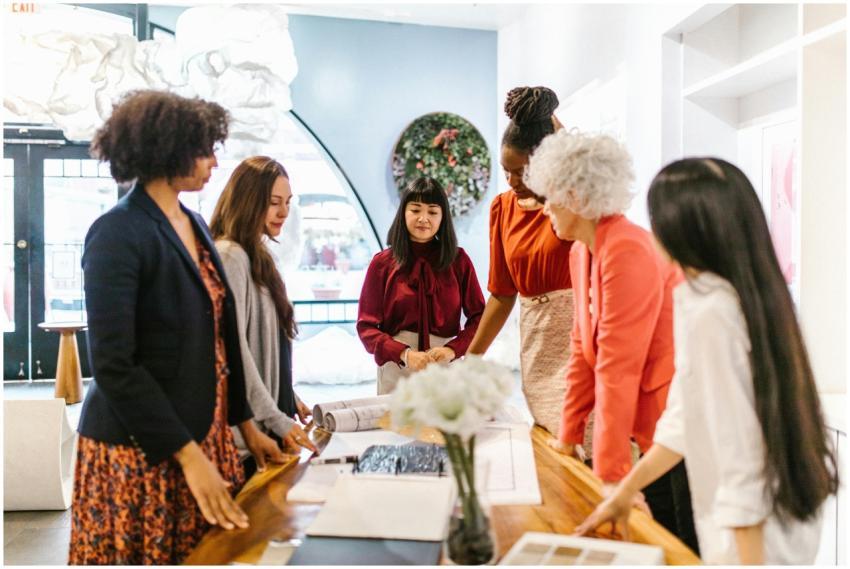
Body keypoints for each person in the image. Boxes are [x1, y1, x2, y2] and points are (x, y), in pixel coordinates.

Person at [576, 158, 839, 564]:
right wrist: (626, 491)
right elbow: (683, 416)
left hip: (752, 537)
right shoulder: (726, 295)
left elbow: (742, 458)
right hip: (765, 519)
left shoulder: (712, 311)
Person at [70, 90, 289, 565]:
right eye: (204, 148)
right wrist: (189, 456)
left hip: (199, 433)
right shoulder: (116, 232)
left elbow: (222, 338)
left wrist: (245, 424)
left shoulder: (192, 223)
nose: (214, 161)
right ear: (167, 149)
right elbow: (113, 365)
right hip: (138, 448)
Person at [525, 129, 699, 552]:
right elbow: (583, 352)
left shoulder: (628, 247)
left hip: (682, 427)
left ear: (578, 196)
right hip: (652, 427)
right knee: (655, 536)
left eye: (551, 196)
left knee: (683, 543)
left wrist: (611, 474)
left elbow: (618, 367)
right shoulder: (581, 251)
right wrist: (568, 435)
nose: (545, 207)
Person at [466, 86, 574, 436]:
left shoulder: (572, 205)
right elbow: (501, 294)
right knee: (547, 434)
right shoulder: (502, 209)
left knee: (581, 446)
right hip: (536, 344)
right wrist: (472, 358)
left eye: (523, 173)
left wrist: (559, 136)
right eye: (506, 171)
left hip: (579, 342)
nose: (512, 182)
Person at [210, 156, 318, 465]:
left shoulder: (256, 254)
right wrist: (274, 416)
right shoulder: (231, 256)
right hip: (247, 437)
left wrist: (287, 396)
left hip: (266, 423)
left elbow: (265, 345)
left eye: (287, 202)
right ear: (248, 200)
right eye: (274, 202)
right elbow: (235, 350)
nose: (284, 212)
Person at [357, 177, 485, 394]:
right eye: (415, 210)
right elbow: (366, 327)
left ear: (443, 217)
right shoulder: (382, 264)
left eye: (433, 212)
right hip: (396, 366)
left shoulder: (459, 261)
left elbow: (480, 318)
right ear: (403, 213)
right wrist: (404, 353)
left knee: (445, 426)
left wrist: (453, 350)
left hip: (445, 365)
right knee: (396, 426)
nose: (423, 218)